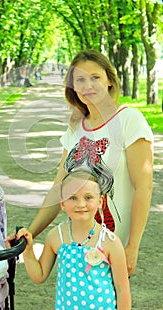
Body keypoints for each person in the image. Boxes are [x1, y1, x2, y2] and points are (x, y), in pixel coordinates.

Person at [26, 49, 154, 277]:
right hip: (78, 244)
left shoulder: (129, 120)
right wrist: (30, 234)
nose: (88, 85)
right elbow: (60, 189)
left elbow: (143, 187)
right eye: (80, 80)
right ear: (73, 87)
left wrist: (133, 246)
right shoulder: (75, 128)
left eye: (95, 77)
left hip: (113, 246)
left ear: (110, 81)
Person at [14, 170, 131, 310]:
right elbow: (39, 276)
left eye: (88, 197)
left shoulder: (110, 241)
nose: (81, 204)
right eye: (73, 198)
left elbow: (122, 289)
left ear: (100, 202)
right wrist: (28, 251)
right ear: (62, 203)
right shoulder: (56, 236)